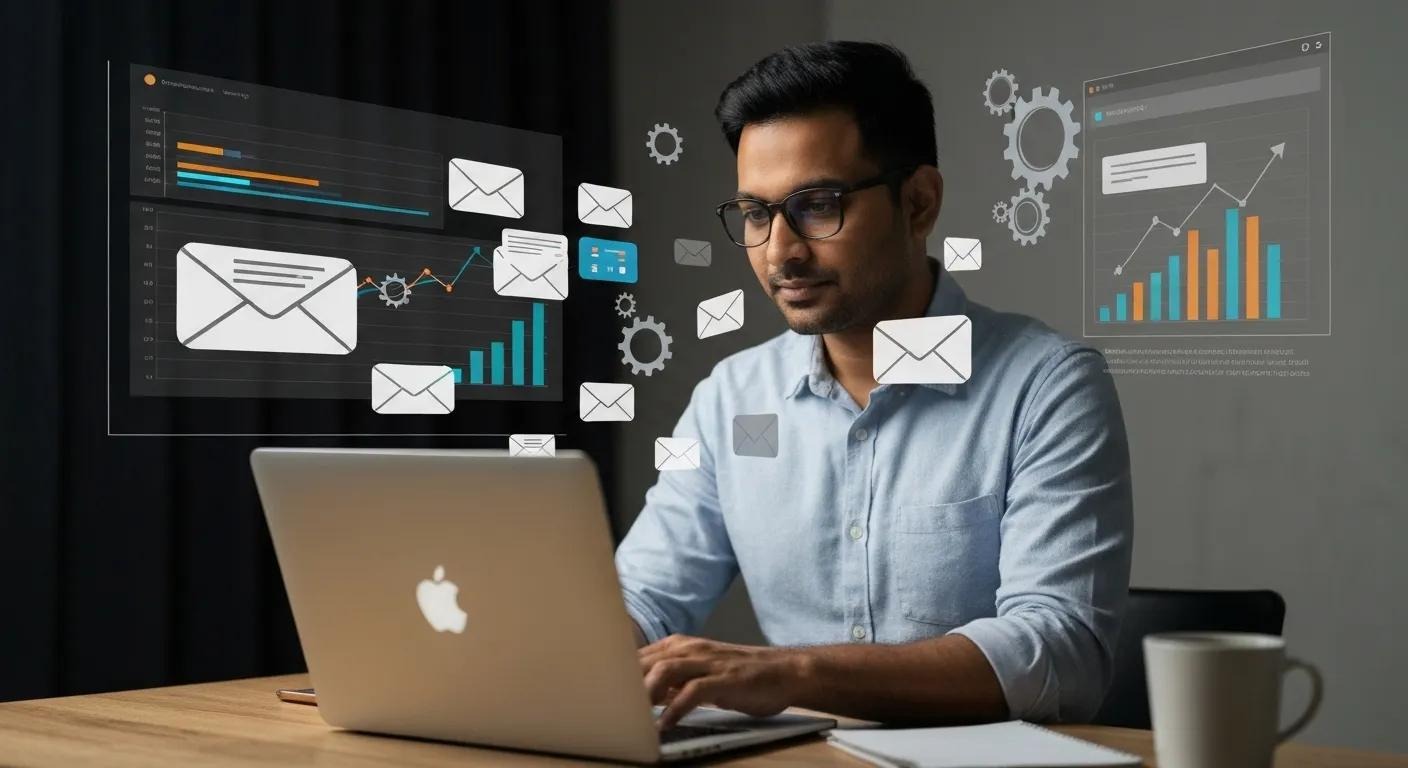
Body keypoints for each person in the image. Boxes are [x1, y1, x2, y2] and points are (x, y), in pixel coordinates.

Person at [616, 41, 1133, 730]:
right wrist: (582, 651)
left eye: (818, 205)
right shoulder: (730, 401)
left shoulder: (1046, 387)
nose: (781, 251)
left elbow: (1060, 655)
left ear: (918, 203)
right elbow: (641, 600)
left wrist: (789, 673)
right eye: (756, 213)